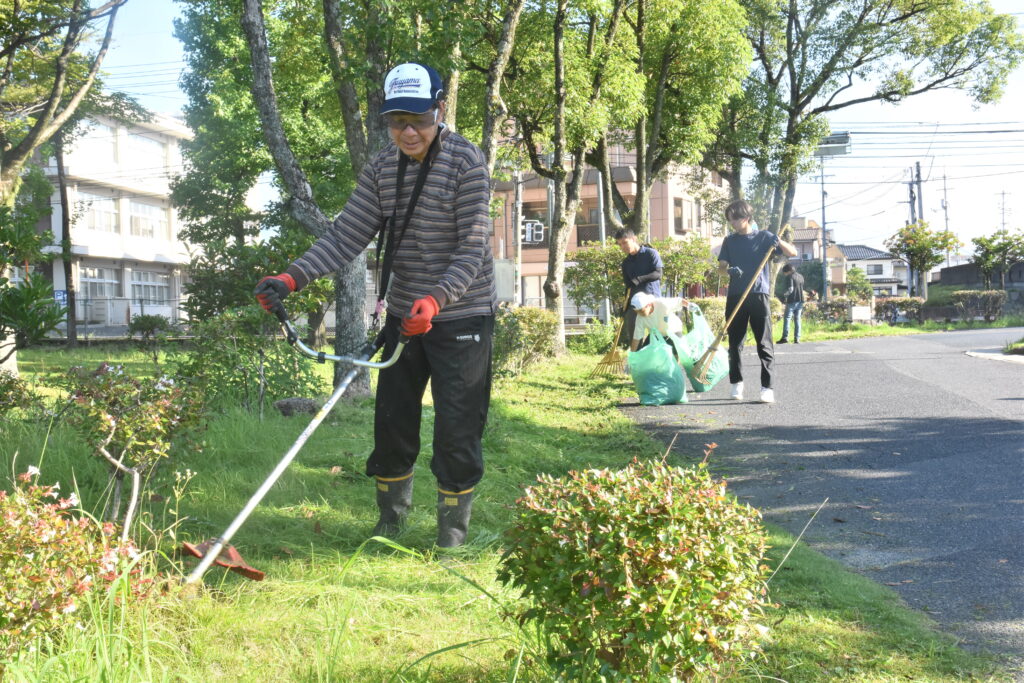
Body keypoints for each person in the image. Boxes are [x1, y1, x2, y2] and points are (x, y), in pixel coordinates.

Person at [254, 62, 495, 548]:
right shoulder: (383, 167)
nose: (407, 131)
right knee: (392, 424)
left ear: (440, 110)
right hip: (407, 318)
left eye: (419, 119)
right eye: (396, 120)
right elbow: (347, 234)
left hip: (462, 313)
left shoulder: (467, 162)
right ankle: (390, 523)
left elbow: (473, 245)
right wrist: (291, 277)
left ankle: (452, 536)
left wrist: (438, 298)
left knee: (457, 428)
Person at [716, 200, 797, 403]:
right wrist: (729, 270)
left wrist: (778, 242)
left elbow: (792, 253)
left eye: (734, 219)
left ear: (745, 218)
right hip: (735, 295)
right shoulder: (729, 241)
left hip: (758, 294)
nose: (731, 223)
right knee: (735, 343)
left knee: (764, 342)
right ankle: (736, 384)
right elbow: (721, 267)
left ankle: (767, 387)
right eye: (730, 219)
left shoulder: (764, 237)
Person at [615, 228, 663, 346]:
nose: (623, 247)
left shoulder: (651, 253)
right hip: (635, 305)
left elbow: (658, 274)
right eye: (620, 244)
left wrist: (639, 279)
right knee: (634, 337)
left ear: (633, 239)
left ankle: (655, 359)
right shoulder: (626, 263)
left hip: (652, 302)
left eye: (625, 242)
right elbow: (628, 286)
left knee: (658, 334)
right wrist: (624, 307)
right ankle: (637, 361)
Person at [777, 263, 805, 344]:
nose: (784, 274)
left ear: (788, 271)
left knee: (787, 319)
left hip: (792, 300)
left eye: (784, 272)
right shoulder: (801, 276)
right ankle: (797, 338)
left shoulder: (790, 277)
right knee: (797, 319)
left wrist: (784, 295)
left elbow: (791, 289)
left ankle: (785, 338)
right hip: (800, 300)